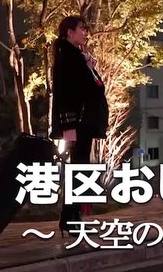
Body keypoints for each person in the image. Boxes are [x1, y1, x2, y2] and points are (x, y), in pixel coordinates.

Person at [51, 15, 109, 237]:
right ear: (69, 32)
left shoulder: (76, 56)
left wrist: (90, 67)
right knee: (79, 169)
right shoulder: (67, 56)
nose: (85, 33)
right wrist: (69, 126)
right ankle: (71, 218)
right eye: (81, 29)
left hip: (83, 122)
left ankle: (72, 217)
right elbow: (67, 94)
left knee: (81, 168)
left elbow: (96, 86)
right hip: (78, 122)